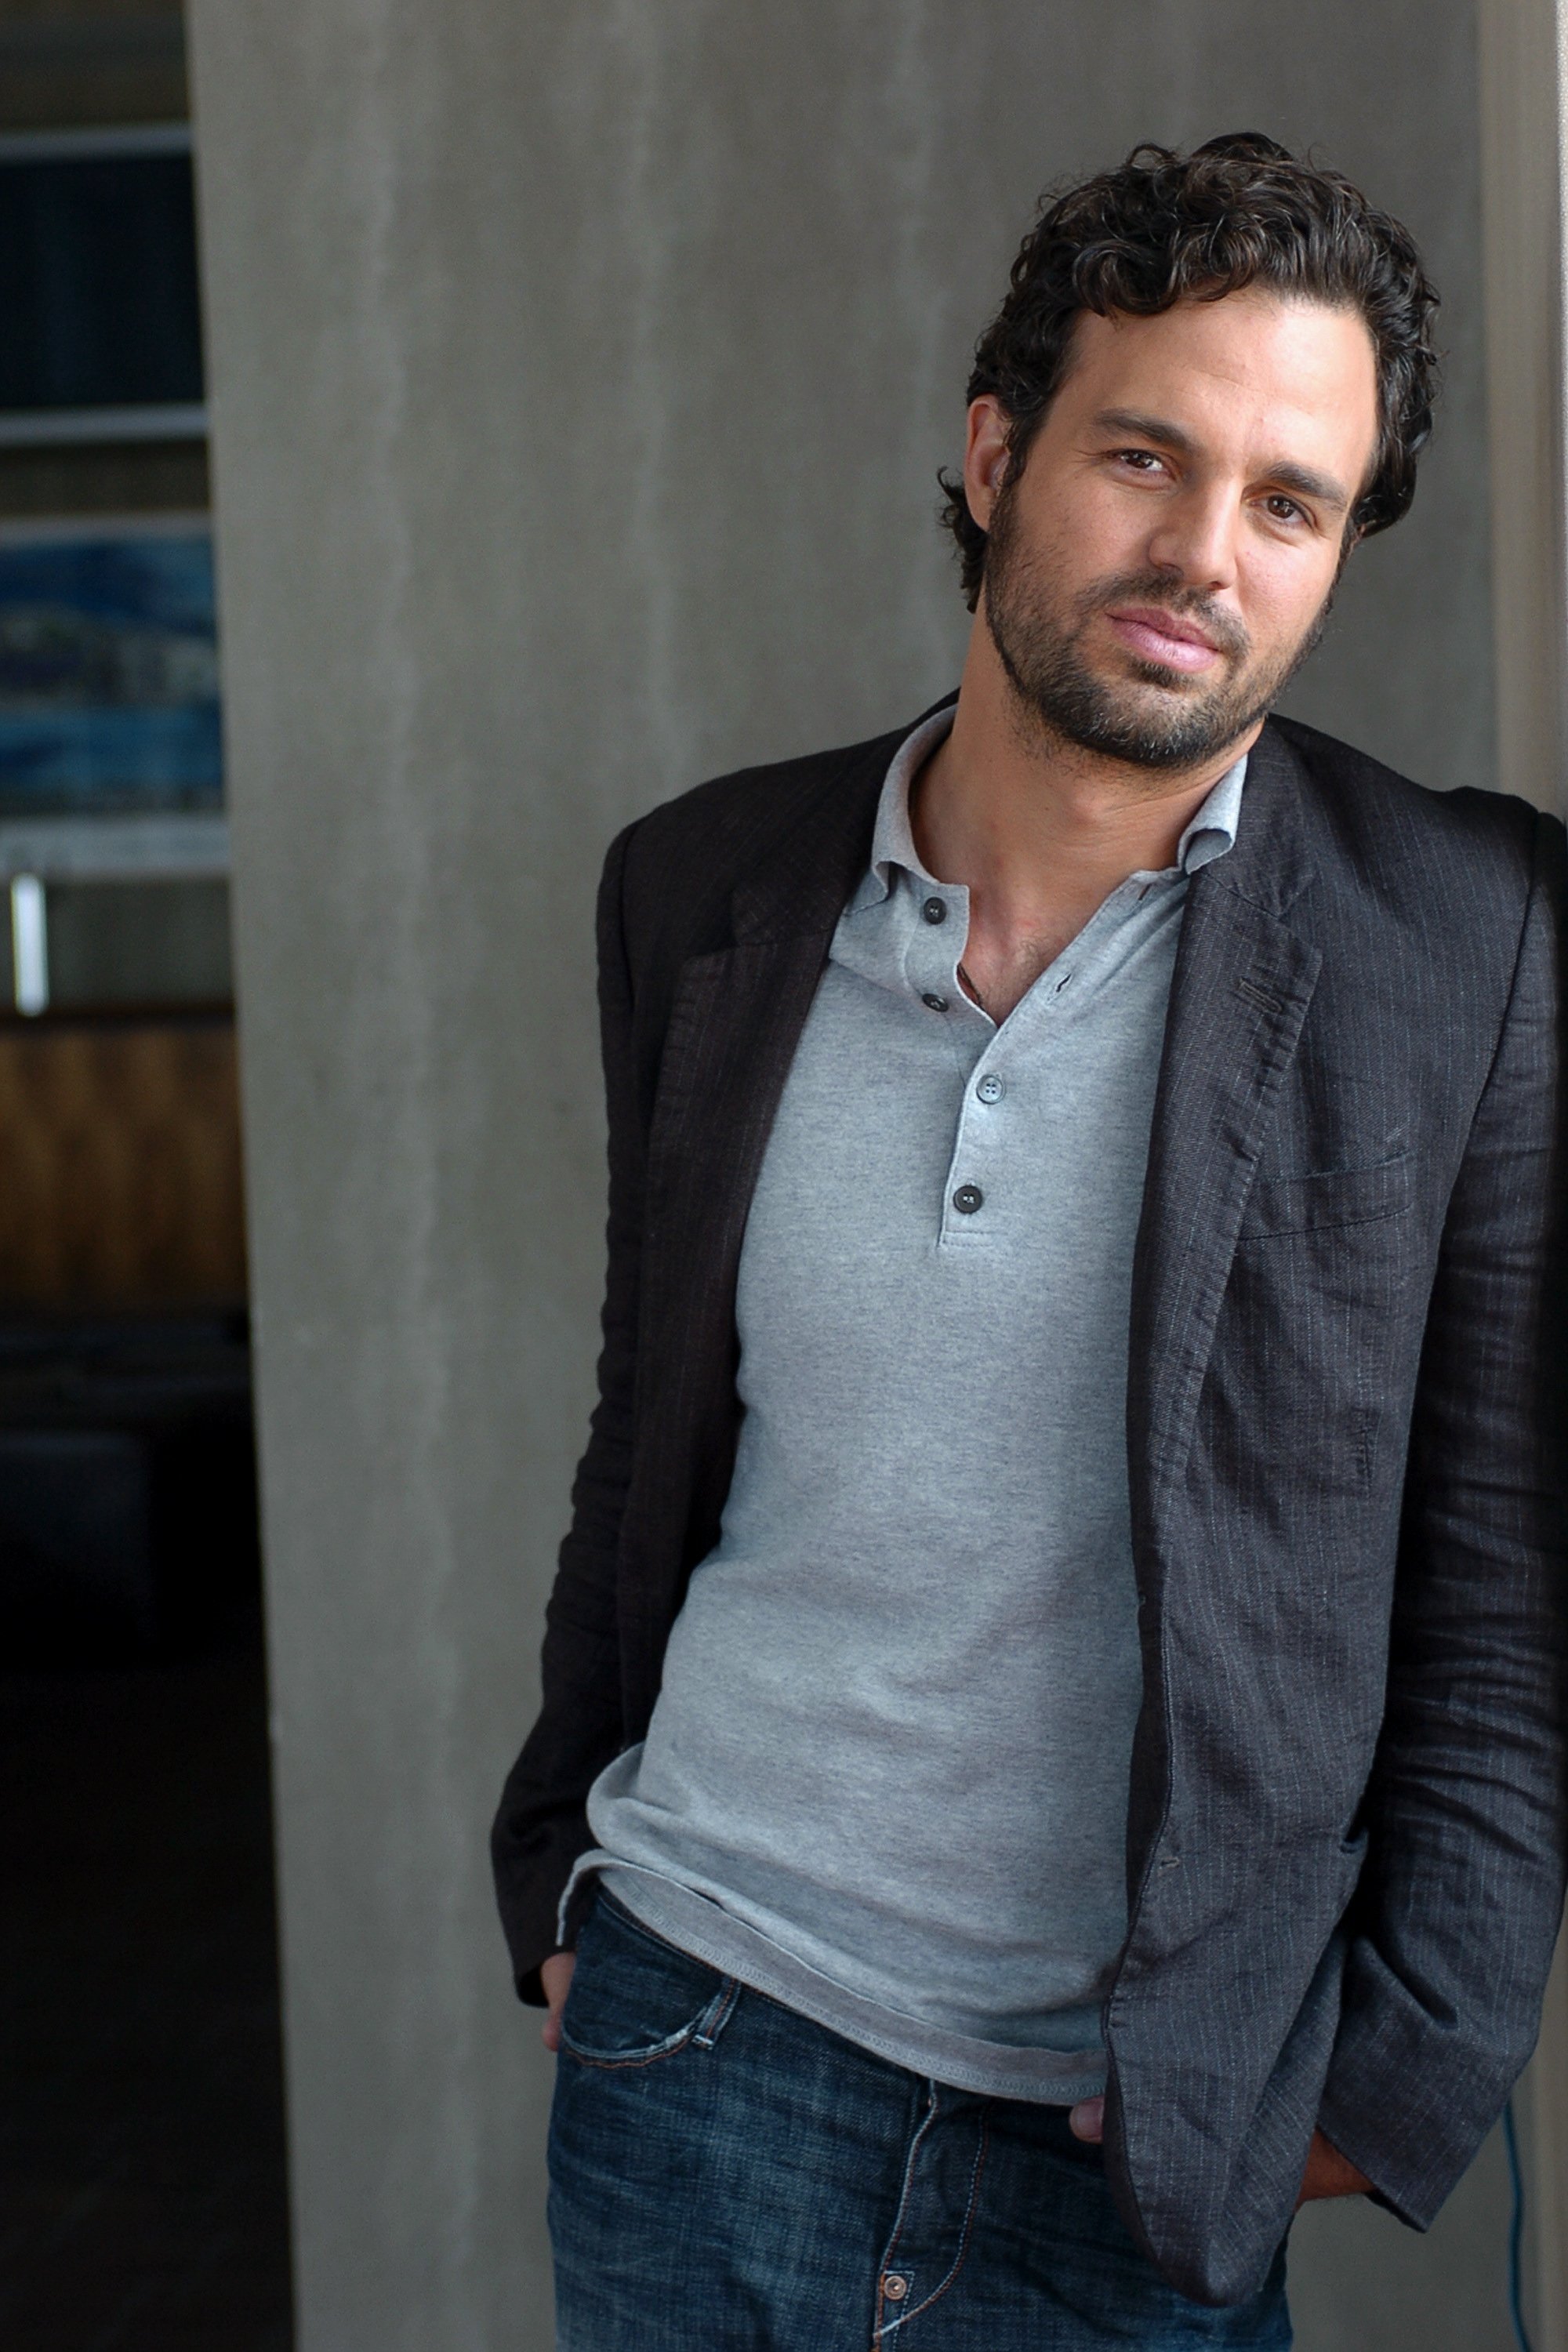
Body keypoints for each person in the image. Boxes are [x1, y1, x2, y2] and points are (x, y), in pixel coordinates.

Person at [492, 132, 1567, 2348]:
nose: (1205, 555)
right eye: (1143, 458)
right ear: (996, 456)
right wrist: (558, 1887)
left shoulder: (1465, 945)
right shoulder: (702, 890)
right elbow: (656, 1429)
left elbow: (1502, 1596)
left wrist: (1401, 2076)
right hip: (688, 2051)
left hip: (1128, 2151)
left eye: (1291, 504)